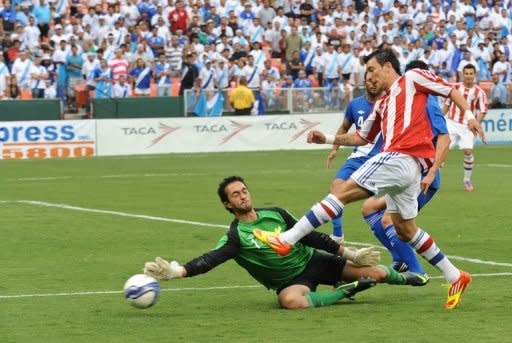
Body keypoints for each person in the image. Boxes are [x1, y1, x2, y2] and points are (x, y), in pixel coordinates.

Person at [254, 49, 486, 310]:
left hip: (401, 157)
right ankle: (455, 275)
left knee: (341, 192)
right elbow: (361, 138)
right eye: (366, 73)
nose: (369, 76)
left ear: (388, 66)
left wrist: (468, 115)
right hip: (410, 171)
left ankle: (285, 240)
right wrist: (328, 140)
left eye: (372, 70)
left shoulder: (412, 77)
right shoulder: (383, 104)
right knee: (404, 228)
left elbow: (450, 90)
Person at [143, 176, 425, 310]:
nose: (243, 196)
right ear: (227, 204)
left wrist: (349, 252)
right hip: (292, 281)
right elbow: (210, 260)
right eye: (235, 195)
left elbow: (311, 235)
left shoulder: (275, 214)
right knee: (290, 301)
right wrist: (176, 272)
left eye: (244, 190)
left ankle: (409, 278)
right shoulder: (235, 237)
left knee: (378, 273)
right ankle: (346, 292)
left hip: (314, 261)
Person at [360, 60, 451, 275]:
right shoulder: (401, 102)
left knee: (389, 220)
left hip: (422, 177)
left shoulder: (428, 102)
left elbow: (444, 138)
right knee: (368, 209)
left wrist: (432, 172)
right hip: (405, 171)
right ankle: (400, 258)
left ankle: (416, 269)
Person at [326, 73, 383, 244]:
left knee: (382, 208)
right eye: (370, 80)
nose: (373, 83)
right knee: (335, 190)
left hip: (382, 158)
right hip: (358, 156)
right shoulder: (355, 104)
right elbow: (344, 127)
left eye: (376, 79)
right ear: (364, 82)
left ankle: (397, 247)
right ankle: (337, 235)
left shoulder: (389, 104)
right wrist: (334, 149)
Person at [442, 64, 488, 192]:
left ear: (475, 75)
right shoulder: (455, 88)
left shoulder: (479, 92)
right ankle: (432, 176)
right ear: (463, 74)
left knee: (468, 151)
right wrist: (439, 119)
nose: (468, 76)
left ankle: (467, 180)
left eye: (470, 73)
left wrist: (475, 122)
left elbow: (483, 110)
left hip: (467, 126)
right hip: (451, 122)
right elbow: (447, 104)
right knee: (442, 150)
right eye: (466, 73)